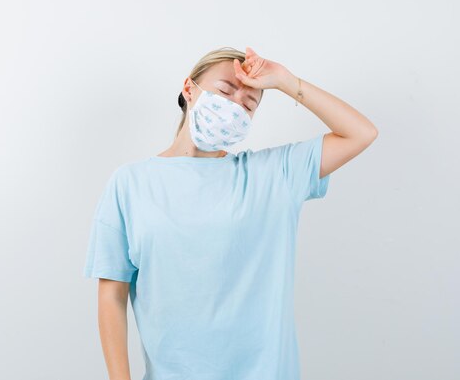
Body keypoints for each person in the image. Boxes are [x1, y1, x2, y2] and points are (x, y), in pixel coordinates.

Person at [83, 46, 378, 380]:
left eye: (249, 103)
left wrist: (284, 80)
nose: (236, 104)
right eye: (225, 90)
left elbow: (360, 133)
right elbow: (112, 293)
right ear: (189, 88)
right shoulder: (130, 184)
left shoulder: (274, 174)